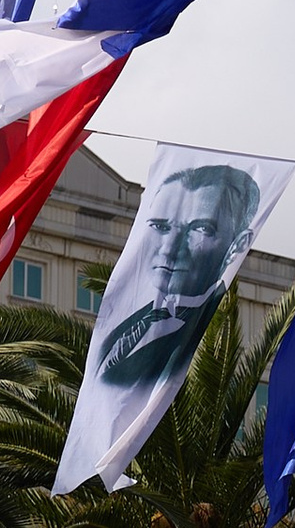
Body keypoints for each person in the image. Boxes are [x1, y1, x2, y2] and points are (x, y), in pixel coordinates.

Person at [95, 160, 266, 392]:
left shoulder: (212, 342)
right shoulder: (127, 323)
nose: (169, 247)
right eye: (160, 226)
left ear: (238, 244)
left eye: (201, 229)